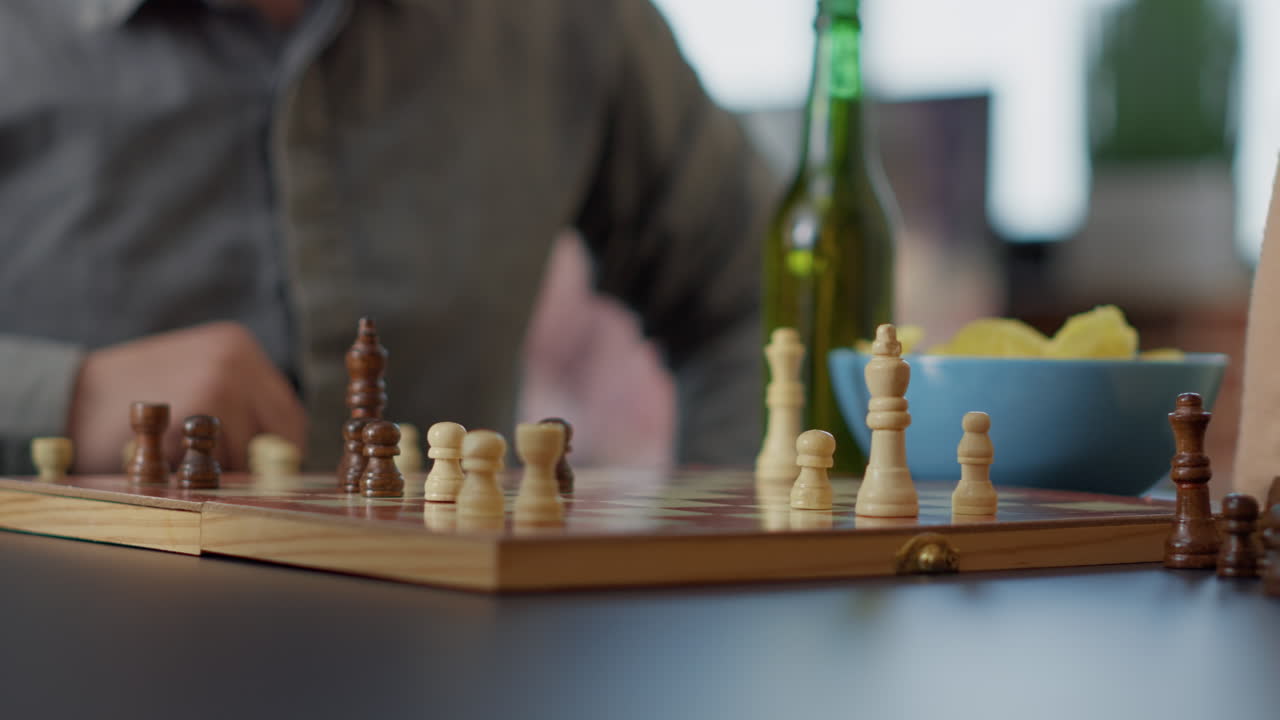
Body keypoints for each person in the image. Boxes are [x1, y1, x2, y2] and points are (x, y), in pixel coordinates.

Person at [0, 0, 773, 473]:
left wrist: (723, 554)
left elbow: (764, 293)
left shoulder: (567, 19)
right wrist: (58, 399)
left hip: (475, 678)